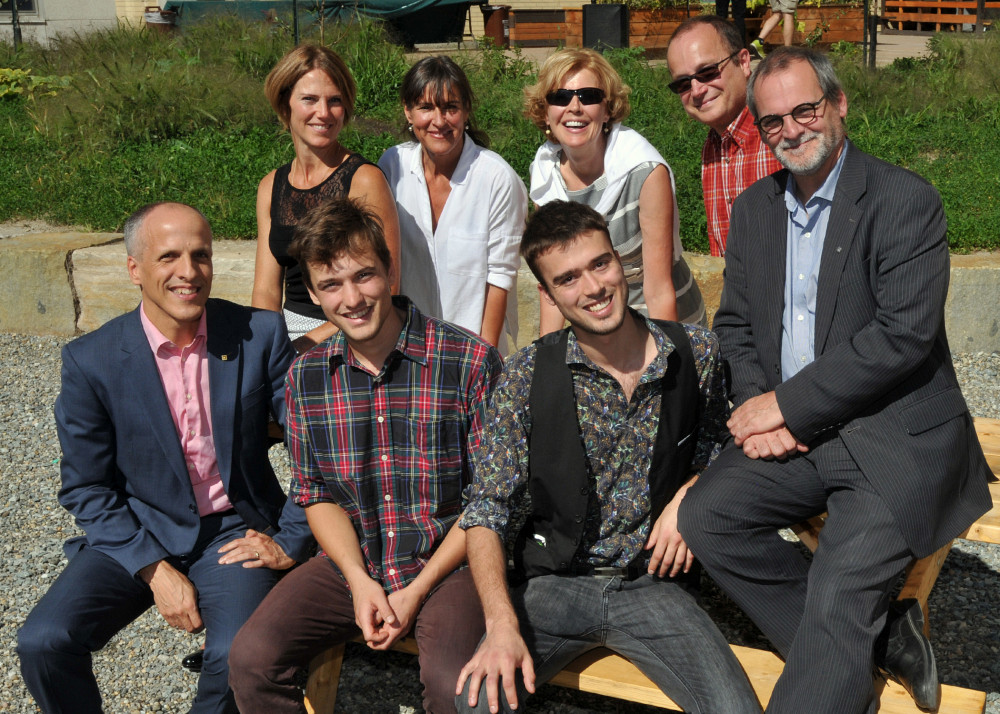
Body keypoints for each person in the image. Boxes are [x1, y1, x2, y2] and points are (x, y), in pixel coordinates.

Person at [677, 47, 994, 714]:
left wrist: (784, 407)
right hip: (799, 434)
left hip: (889, 433)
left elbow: (900, 338)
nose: (791, 130)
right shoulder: (755, 212)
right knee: (710, 517)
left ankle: (839, 663)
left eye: (805, 110)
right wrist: (763, 408)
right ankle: (879, 641)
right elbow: (734, 325)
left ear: (839, 104)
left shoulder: (903, 199)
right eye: (773, 121)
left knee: (839, 589)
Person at [454, 200, 761, 714]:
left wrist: (691, 495)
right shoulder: (526, 374)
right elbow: (487, 508)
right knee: (476, 704)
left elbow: (726, 447)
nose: (593, 288)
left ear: (621, 261)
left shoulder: (696, 353)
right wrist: (501, 624)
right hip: (553, 584)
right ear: (548, 294)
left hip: (654, 586)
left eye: (600, 264)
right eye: (568, 278)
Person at [16, 202, 314, 714]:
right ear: (134, 269)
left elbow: (314, 447)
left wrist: (290, 540)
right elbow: (86, 487)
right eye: (169, 257)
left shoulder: (258, 335)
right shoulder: (92, 361)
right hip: (137, 529)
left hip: (232, 532)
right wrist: (154, 570)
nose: (189, 272)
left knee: (234, 653)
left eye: (201, 255)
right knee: (43, 642)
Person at [228, 197, 502, 714]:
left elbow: (491, 499)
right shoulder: (307, 377)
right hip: (353, 558)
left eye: (364, 276)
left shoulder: (468, 362)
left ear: (390, 271)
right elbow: (314, 494)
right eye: (331, 285)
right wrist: (358, 581)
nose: (351, 298)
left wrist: (415, 590)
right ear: (312, 294)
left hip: (449, 562)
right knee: (251, 658)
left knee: (455, 689)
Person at [525, 48, 707, 333]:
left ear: (607, 110)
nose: (574, 107)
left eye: (589, 96)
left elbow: (658, 288)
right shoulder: (545, 177)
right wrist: (547, 361)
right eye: (560, 97)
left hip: (660, 319)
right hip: (596, 319)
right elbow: (553, 287)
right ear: (545, 113)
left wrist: (668, 365)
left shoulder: (644, 173)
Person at [252, 43, 400, 353]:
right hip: (287, 339)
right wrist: (266, 351)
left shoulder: (364, 180)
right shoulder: (270, 186)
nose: (324, 113)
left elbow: (388, 285)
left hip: (353, 331)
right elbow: (266, 291)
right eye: (309, 99)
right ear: (285, 104)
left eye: (335, 101)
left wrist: (307, 344)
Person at [379, 56, 527, 356]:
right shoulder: (392, 166)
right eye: (426, 107)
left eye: (450, 107)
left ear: (466, 111)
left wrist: (484, 361)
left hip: (470, 353)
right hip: (408, 351)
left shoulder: (497, 179)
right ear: (408, 111)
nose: (439, 120)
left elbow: (500, 278)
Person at [667, 16, 782, 257]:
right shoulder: (713, 147)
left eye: (708, 72)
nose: (697, 90)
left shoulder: (781, 133)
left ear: (743, 62)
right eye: (683, 84)